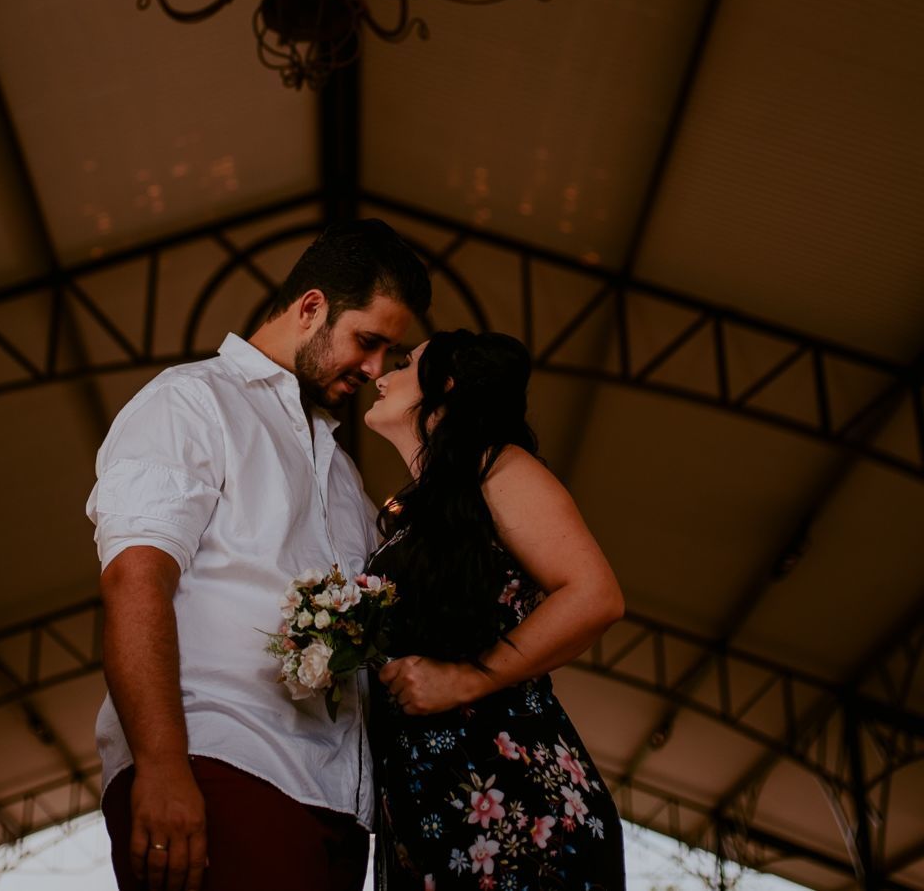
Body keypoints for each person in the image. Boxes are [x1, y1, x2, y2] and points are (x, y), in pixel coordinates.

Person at [87, 218, 432, 891]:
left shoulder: (341, 471)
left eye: (390, 353)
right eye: (368, 341)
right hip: (218, 765)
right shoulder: (190, 401)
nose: (374, 369)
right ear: (311, 308)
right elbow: (136, 580)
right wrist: (160, 766)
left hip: (335, 804)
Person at [363, 331, 627, 889]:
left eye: (404, 364)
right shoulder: (421, 505)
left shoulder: (499, 469)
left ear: (448, 384)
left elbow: (594, 595)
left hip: (514, 801)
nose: (379, 376)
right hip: (431, 807)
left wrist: (468, 677)